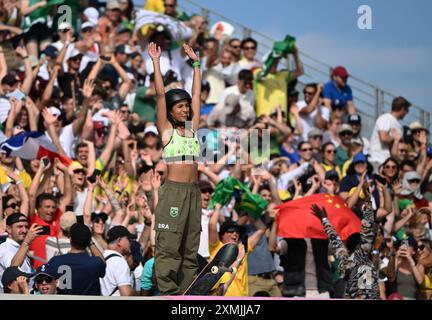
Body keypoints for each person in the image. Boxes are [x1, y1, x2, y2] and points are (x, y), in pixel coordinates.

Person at [148, 42, 203, 295]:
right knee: (169, 247)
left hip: (193, 193)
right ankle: (168, 293)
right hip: (173, 193)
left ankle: (187, 292)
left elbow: (198, 95)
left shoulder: (191, 130)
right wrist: (156, 61)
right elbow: (160, 95)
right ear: (170, 111)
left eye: (186, 106)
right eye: (179, 106)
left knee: (190, 247)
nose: (185, 109)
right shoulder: (167, 132)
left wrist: (197, 64)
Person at [311, 188, 380, 299]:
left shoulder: (347, 261)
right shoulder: (367, 261)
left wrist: (324, 219)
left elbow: (336, 241)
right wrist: (368, 200)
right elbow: (368, 226)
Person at [48, 223, 105, 295]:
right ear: (88, 241)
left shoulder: (55, 261)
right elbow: (103, 263)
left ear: (71, 239)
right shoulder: (95, 263)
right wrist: (91, 243)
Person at [0, 213, 41, 292]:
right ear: (8, 229)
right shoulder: (5, 247)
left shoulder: (19, 248)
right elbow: (12, 270)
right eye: (20, 227)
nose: (25, 230)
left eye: (26, 227)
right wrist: (27, 241)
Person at [369, 97, 411, 170]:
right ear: (402, 108)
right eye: (407, 110)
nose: (407, 113)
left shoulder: (398, 125)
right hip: (378, 160)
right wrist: (394, 137)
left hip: (389, 162)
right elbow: (383, 137)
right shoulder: (385, 118)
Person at [100, 225, 136, 296]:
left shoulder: (102, 257)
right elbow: (126, 295)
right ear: (119, 241)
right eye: (129, 239)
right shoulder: (119, 261)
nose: (130, 243)